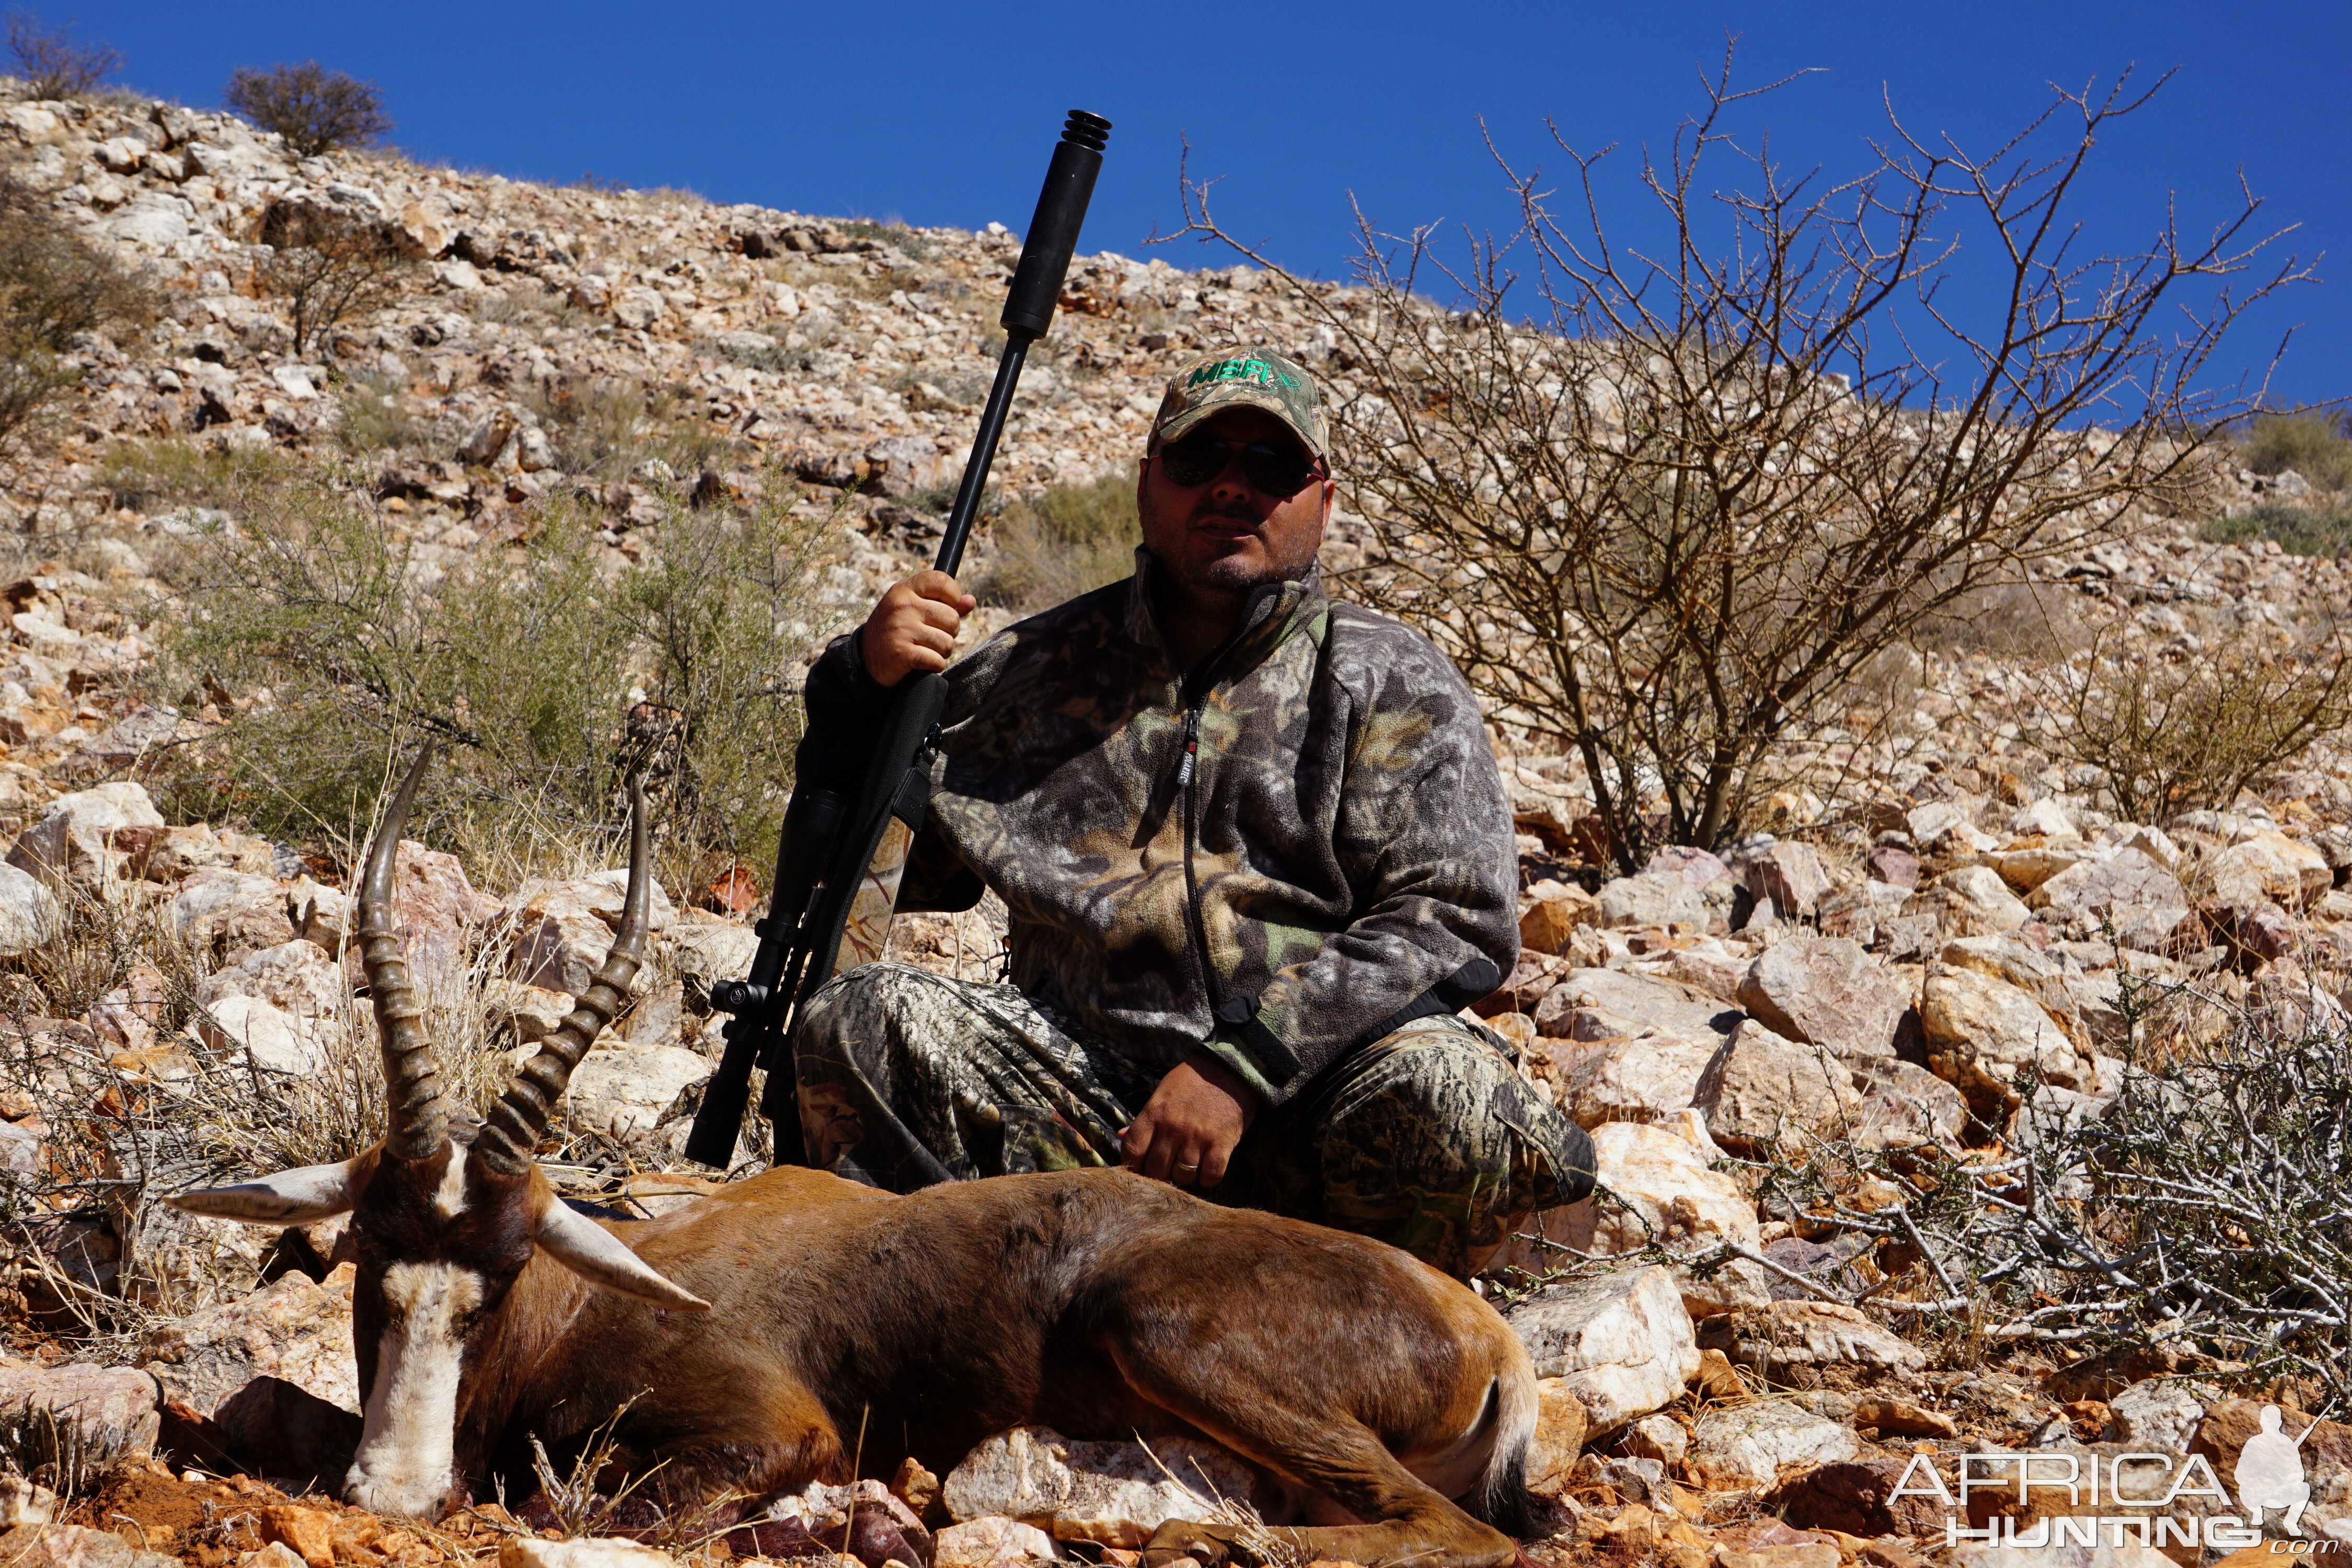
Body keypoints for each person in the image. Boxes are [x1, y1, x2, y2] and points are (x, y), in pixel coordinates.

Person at [788, 345, 1595, 1277]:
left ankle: (1344, 1319)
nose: (1231, 487)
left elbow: (1453, 916)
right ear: (1147, 484)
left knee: (1454, 1101)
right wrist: (856, 687)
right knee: (861, 1017)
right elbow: (873, 872)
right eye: (1198, 459)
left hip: (1313, 1101)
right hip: (1092, 1119)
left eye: (1271, 467)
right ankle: (1024, 1317)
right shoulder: (1033, 670)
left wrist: (1241, 1070)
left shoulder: (1391, 676)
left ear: (1322, 501)